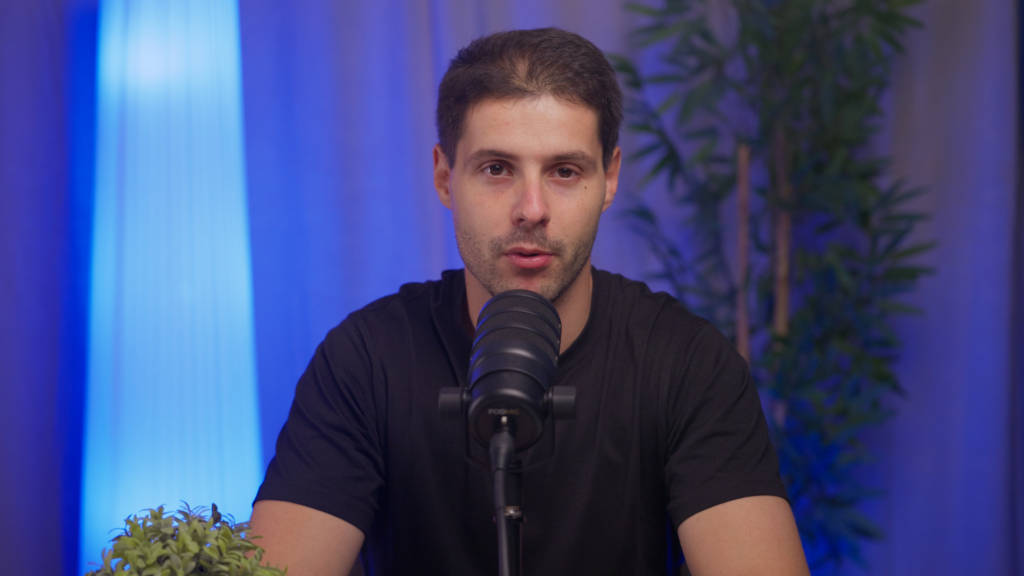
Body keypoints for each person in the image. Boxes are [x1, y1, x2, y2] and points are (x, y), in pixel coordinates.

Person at [250, 28, 809, 576]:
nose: (532, 209)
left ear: (610, 178)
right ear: (444, 177)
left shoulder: (687, 363)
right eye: (497, 169)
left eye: (565, 171)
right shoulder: (367, 360)